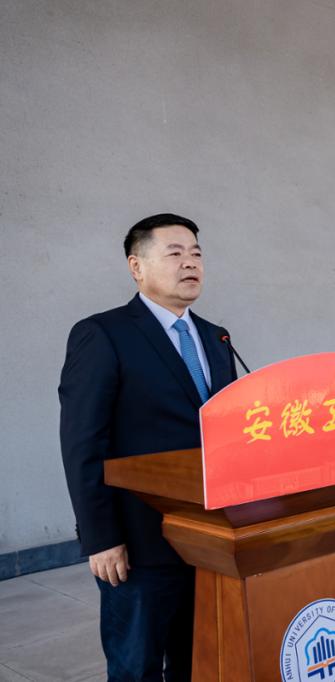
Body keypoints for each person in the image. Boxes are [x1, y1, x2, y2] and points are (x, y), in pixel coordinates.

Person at [59, 214, 239, 681]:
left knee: (196, 662)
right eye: (175, 253)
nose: (190, 263)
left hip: (208, 538)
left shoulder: (215, 337)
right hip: (138, 543)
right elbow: (83, 442)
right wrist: (101, 538)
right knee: (135, 667)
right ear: (136, 267)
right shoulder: (104, 334)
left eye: (196, 253)